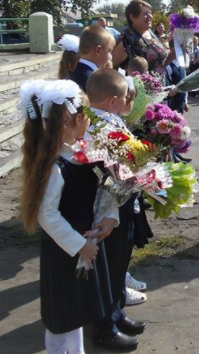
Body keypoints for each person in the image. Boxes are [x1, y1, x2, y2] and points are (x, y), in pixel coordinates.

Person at [18, 79, 118, 354]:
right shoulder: (55, 167)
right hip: (66, 252)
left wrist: (110, 216)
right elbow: (46, 215)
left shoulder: (79, 154)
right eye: (84, 116)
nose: (88, 121)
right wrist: (79, 246)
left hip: (84, 246)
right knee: (61, 318)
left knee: (76, 313)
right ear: (68, 122)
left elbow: (103, 188)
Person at [85, 69, 146, 351]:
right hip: (108, 206)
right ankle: (103, 327)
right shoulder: (97, 127)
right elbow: (107, 168)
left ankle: (116, 312)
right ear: (112, 100)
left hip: (123, 201)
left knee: (120, 261)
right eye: (124, 97)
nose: (127, 101)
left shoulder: (110, 120)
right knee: (107, 268)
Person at [112, 0, 169, 76]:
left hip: (160, 85)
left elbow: (161, 62)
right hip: (139, 87)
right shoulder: (127, 38)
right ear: (132, 17)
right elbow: (111, 66)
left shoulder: (150, 33)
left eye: (150, 13)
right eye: (145, 14)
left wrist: (178, 48)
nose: (150, 16)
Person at [70, 26, 116, 91]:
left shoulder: (71, 72)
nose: (110, 57)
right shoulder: (94, 80)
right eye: (109, 51)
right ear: (98, 50)